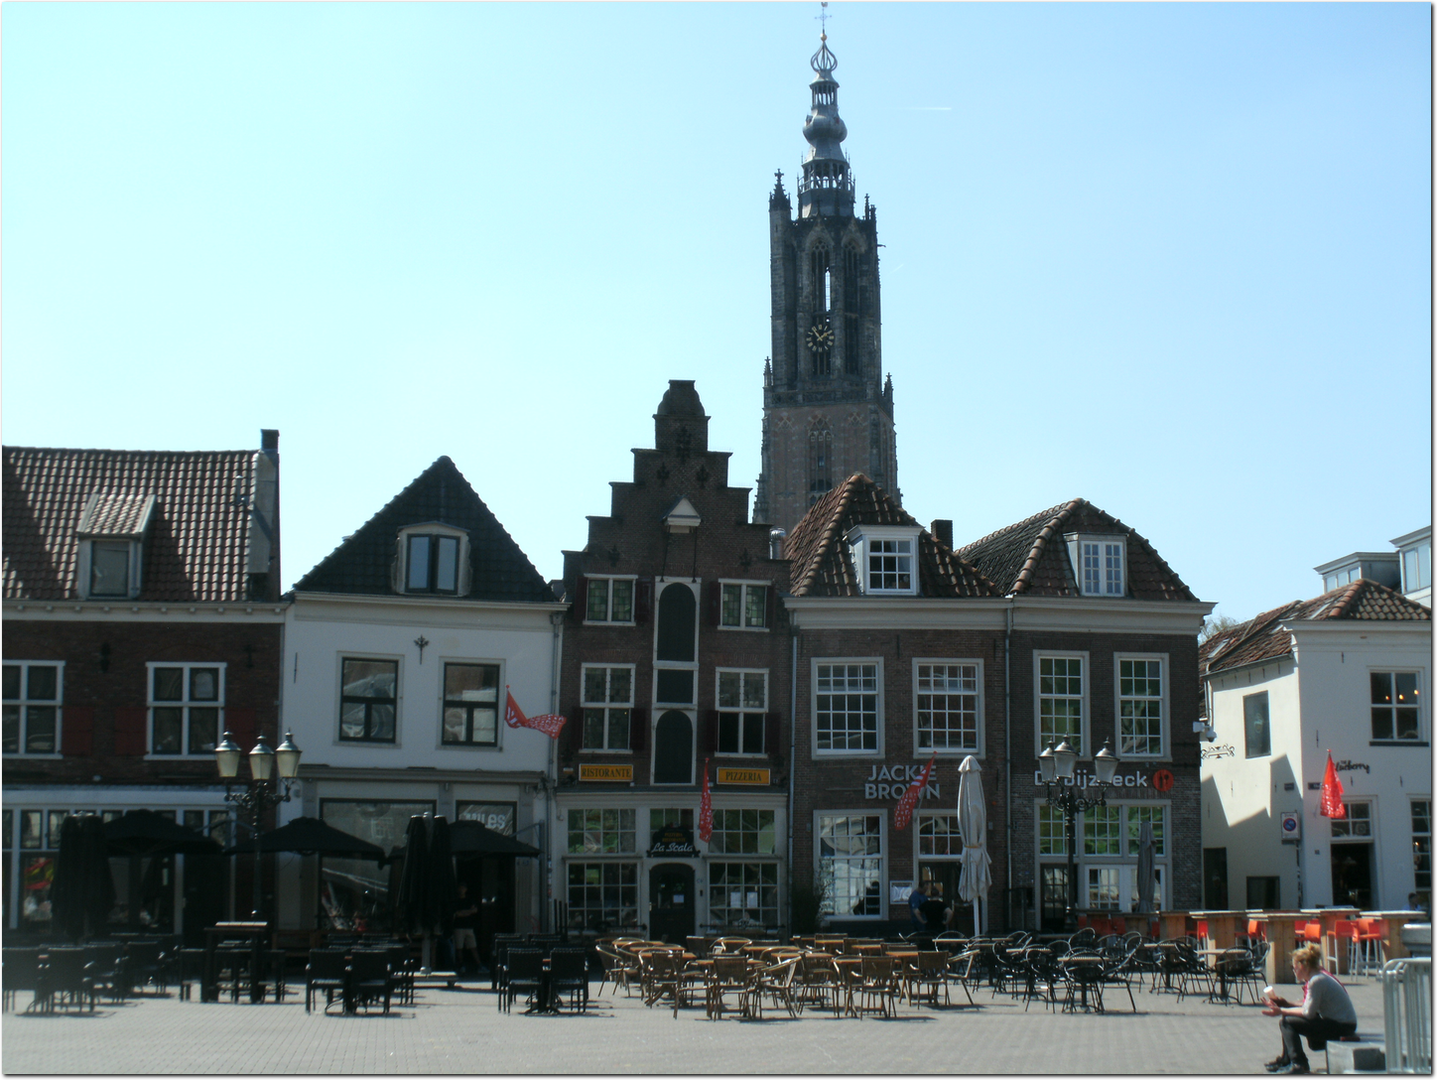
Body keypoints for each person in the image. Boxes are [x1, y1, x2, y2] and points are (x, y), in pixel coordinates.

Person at [1261, 943, 1357, 1073]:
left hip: (1343, 1027)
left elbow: (1308, 1013)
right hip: (1342, 1024)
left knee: (1287, 1022)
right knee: (1288, 1018)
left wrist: (1281, 1011)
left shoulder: (1316, 981)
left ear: (1302, 966)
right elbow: (1308, 1005)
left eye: (1294, 967)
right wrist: (1283, 1005)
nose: (1293, 971)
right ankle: (1288, 1060)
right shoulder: (1318, 977)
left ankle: (1299, 1064)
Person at [452, 883, 483, 975]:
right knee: (459, 948)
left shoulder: (469, 900)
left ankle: (479, 965)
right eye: (460, 888)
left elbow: (475, 910)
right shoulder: (455, 901)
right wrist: (469, 911)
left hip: (469, 927)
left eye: (463, 888)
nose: (462, 890)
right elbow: (457, 913)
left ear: (466, 889)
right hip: (458, 927)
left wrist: (464, 912)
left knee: (473, 946)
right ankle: (461, 965)